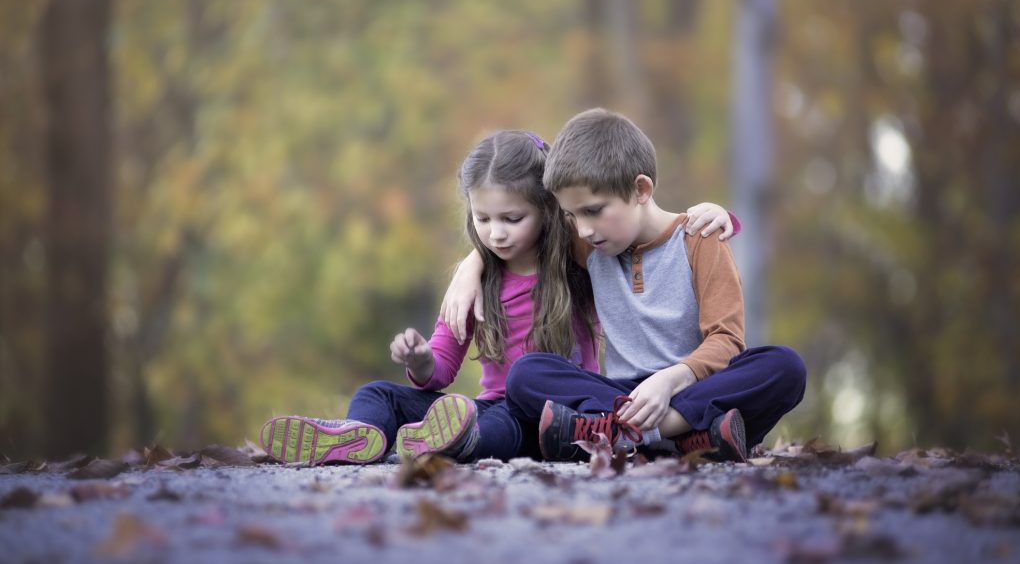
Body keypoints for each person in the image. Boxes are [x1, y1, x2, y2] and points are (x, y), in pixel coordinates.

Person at [259, 128, 741, 466]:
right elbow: (440, 372)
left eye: (512, 219)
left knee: (502, 418)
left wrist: (718, 215)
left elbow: (642, 235)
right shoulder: (476, 281)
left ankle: (456, 440)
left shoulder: (577, 261)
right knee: (378, 393)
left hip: (544, 413)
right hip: (484, 404)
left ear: (548, 212)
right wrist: (421, 359)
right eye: (483, 220)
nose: (496, 234)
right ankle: (363, 435)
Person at [443, 109, 806, 463]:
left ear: (641, 189)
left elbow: (726, 342)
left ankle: (637, 434)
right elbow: (523, 240)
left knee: (784, 366)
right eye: (571, 215)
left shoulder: (700, 242)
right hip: (616, 396)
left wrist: (668, 382)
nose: (581, 228)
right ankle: (685, 437)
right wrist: (471, 265)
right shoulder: (590, 243)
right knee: (527, 374)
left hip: (691, 387)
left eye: (593, 211)